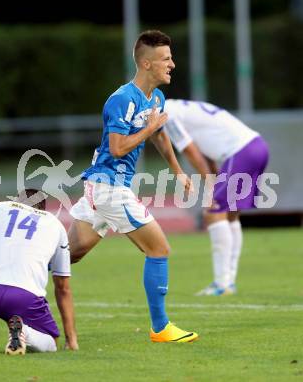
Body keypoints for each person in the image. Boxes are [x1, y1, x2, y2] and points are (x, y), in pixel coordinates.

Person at [68, 30, 198, 343]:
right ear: (146, 63)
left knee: (68, 255)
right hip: (110, 189)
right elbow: (117, 148)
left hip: (101, 189)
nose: (173, 64)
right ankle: (161, 328)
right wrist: (149, 128)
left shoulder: (155, 97)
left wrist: (178, 171)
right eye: (166, 59)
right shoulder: (121, 99)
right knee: (159, 249)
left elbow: (160, 135)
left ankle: (9, 270)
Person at [164, 99, 269, 295]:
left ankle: (222, 284)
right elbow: (206, 151)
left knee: (213, 213)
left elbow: (190, 149)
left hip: (241, 151)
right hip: (258, 146)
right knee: (229, 215)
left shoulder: (166, 113)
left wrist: (210, 184)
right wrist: (213, 178)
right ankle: (228, 281)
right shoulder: (181, 108)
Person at [0, 189, 78, 354]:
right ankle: (24, 333)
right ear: (42, 209)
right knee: (51, 342)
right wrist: (71, 339)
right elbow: (63, 287)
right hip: (24, 299)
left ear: (17, 200)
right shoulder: (55, 224)